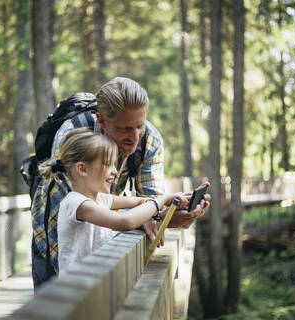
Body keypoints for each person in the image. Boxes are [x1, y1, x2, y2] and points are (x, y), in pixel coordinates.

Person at [31, 77, 210, 290]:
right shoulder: (73, 137)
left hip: (101, 252)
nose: (134, 137)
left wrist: (166, 215)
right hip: (54, 244)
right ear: (102, 120)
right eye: (125, 128)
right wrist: (156, 207)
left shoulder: (150, 139)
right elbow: (94, 213)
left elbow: (146, 204)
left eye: (139, 125)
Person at [39, 128, 186, 274]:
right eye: (108, 164)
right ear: (82, 169)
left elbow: (139, 202)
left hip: (98, 285)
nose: (115, 171)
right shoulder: (76, 204)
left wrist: (158, 206)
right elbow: (125, 221)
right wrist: (162, 200)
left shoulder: (100, 199)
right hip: (79, 291)